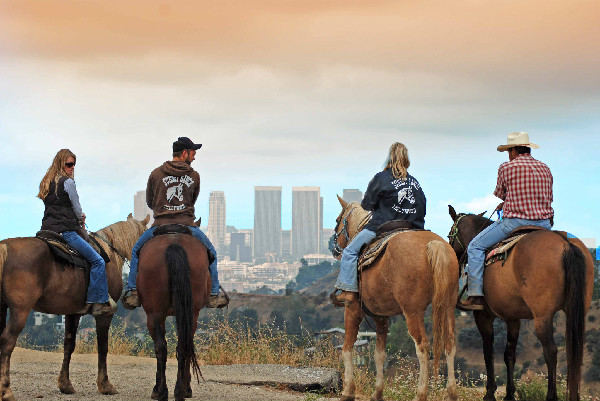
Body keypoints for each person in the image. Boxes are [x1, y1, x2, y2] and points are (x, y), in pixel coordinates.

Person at [122, 137, 228, 309]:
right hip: (187, 225)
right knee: (212, 254)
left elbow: (150, 202)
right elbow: (192, 201)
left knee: (135, 251)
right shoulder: (194, 176)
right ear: (184, 153)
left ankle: (133, 292)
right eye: (193, 153)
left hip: (160, 226)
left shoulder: (156, 173)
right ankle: (214, 294)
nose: (194, 157)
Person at [459, 132, 553, 311]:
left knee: (475, 247)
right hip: (544, 225)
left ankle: (475, 296)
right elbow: (547, 197)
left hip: (515, 222)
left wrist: (508, 201)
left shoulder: (506, 167)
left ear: (512, 151)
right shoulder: (545, 167)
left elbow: (501, 193)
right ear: (528, 148)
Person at [331, 142, 426, 306]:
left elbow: (367, 205)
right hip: (412, 229)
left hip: (382, 228)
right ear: (406, 160)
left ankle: (348, 291)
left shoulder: (381, 178)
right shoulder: (415, 182)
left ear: (389, 158)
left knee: (350, 252)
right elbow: (422, 208)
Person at [38, 149, 115, 316]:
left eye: (74, 164)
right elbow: (76, 207)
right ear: (61, 164)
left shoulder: (47, 182)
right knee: (98, 261)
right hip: (66, 232)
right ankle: (96, 302)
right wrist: (81, 217)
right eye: (69, 164)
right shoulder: (68, 183)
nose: (72, 168)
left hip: (46, 231)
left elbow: (56, 207)